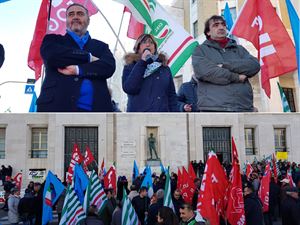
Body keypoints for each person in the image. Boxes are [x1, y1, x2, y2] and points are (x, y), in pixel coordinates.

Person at [37, 3, 116, 112]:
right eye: (71, 14)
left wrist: (78, 70)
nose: (75, 17)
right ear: (66, 20)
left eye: (80, 14)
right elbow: (52, 56)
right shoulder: (52, 40)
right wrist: (89, 57)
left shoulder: (101, 46)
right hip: (56, 108)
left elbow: (109, 67)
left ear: (88, 20)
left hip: (97, 111)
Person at [192, 15, 260, 112]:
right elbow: (206, 72)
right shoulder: (200, 50)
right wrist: (237, 77)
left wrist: (225, 66)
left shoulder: (239, 49)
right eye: (216, 25)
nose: (221, 27)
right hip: (215, 109)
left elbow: (254, 65)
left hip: (243, 107)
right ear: (208, 32)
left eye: (223, 25)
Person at [122, 34, 178, 112]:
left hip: (162, 116)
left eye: (151, 42)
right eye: (144, 42)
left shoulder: (164, 68)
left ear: (155, 48)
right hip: (138, 116)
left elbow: (171, 95)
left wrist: (175, 117)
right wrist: (142, 62)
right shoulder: (131, 65)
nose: (148, 44)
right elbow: (129, 88)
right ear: (138, 47)